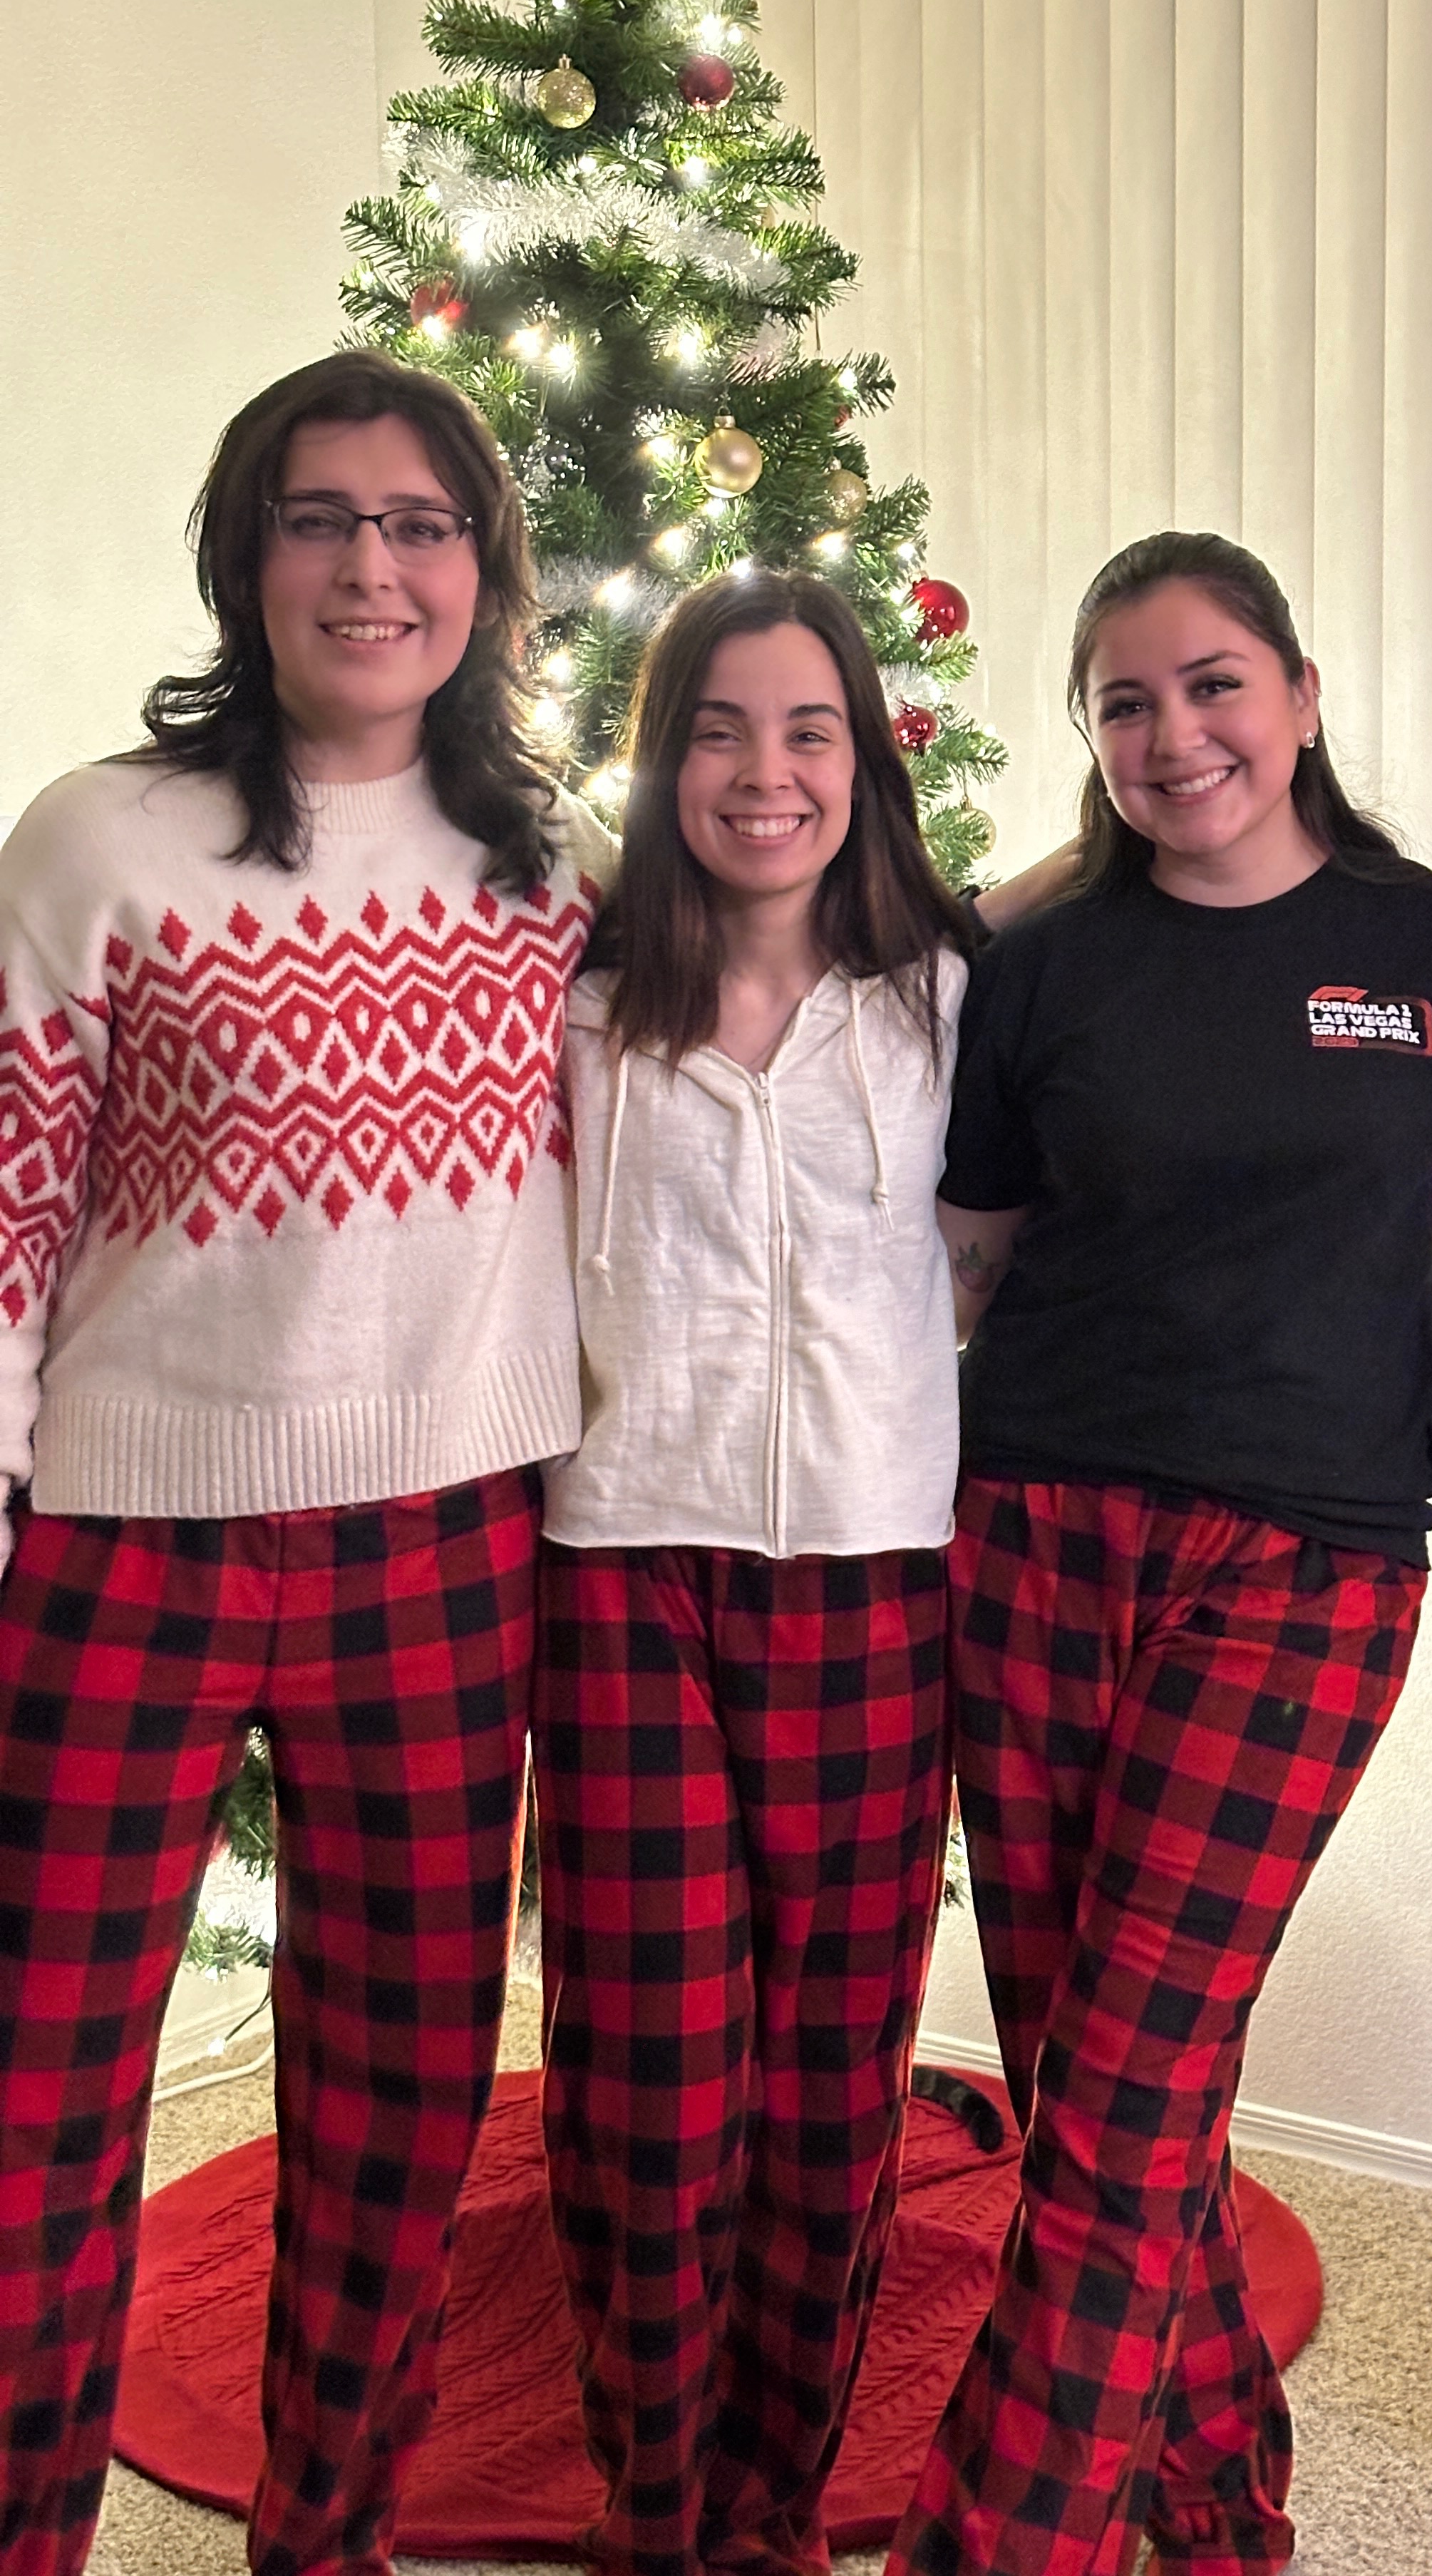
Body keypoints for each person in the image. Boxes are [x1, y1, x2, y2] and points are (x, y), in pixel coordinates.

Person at [0, 351, 614, 2576]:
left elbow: (812, 985)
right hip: (119, 1549)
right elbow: (6, 1206)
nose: (374, 566)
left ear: (484, 571)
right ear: (244, 555)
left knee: (395, 2123)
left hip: (449, 1548)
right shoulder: (98, 840)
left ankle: (325, 2542)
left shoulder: (559, 867)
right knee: (34, 2115)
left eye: (422, 523)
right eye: (321, 517)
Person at [885, 530, 1432, 2576]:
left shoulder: (1430, 939)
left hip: (1308, 1563)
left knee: (1131, 2084)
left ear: (1302, 696)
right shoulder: (1045, 961)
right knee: (1089, 2070)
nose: (1178, 736)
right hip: (1032, 1530)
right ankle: (1222, 2508)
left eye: (1216, 683)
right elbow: (970, 1262)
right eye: (1126, 705)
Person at [533, 569, 974, 2576]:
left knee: (829, 2077)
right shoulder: (571, 1003)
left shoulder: (951, 998)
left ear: (865, 757)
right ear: (662, 759)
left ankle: (770, 2510)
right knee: (645, 2072)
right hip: (624, 1570)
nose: (764, 771)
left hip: (873, 1582)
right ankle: (653, 2501)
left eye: (808, 729)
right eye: (717, 728)